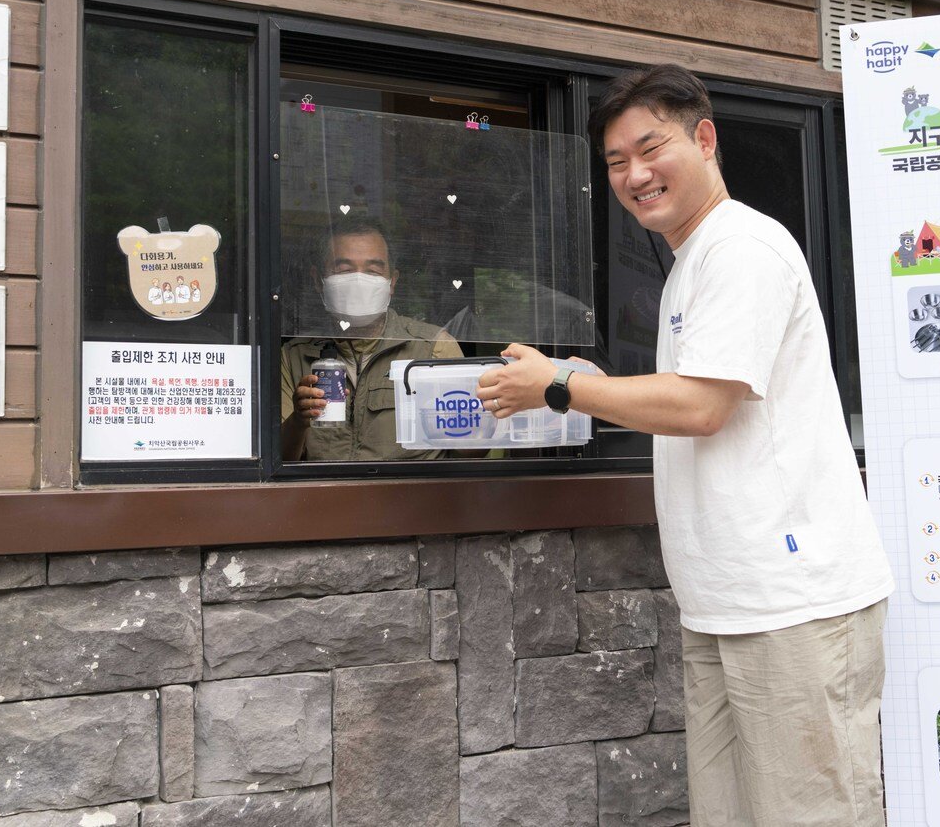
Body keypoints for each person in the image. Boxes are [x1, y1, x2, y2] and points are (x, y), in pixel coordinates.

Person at [477, 64, 894, 826]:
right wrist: (588, 382)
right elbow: (695, 402)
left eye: (650, 148)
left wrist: (563, 389)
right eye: (615, 163)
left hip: (791, 602)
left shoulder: (742, 250)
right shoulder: (692, 261)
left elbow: (702, 407)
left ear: (704, 140)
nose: (635, 175)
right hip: (728, 604)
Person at [281, 216, 462, 461]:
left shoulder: (433, 348)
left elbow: (467, 451)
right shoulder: (292, 357)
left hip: (407, 496)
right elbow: (278, 460)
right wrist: (299, 421)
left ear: (392, 283)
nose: (359, 280)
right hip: (323, 496)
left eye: (373, 271)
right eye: (344, 270)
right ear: (318, 281)